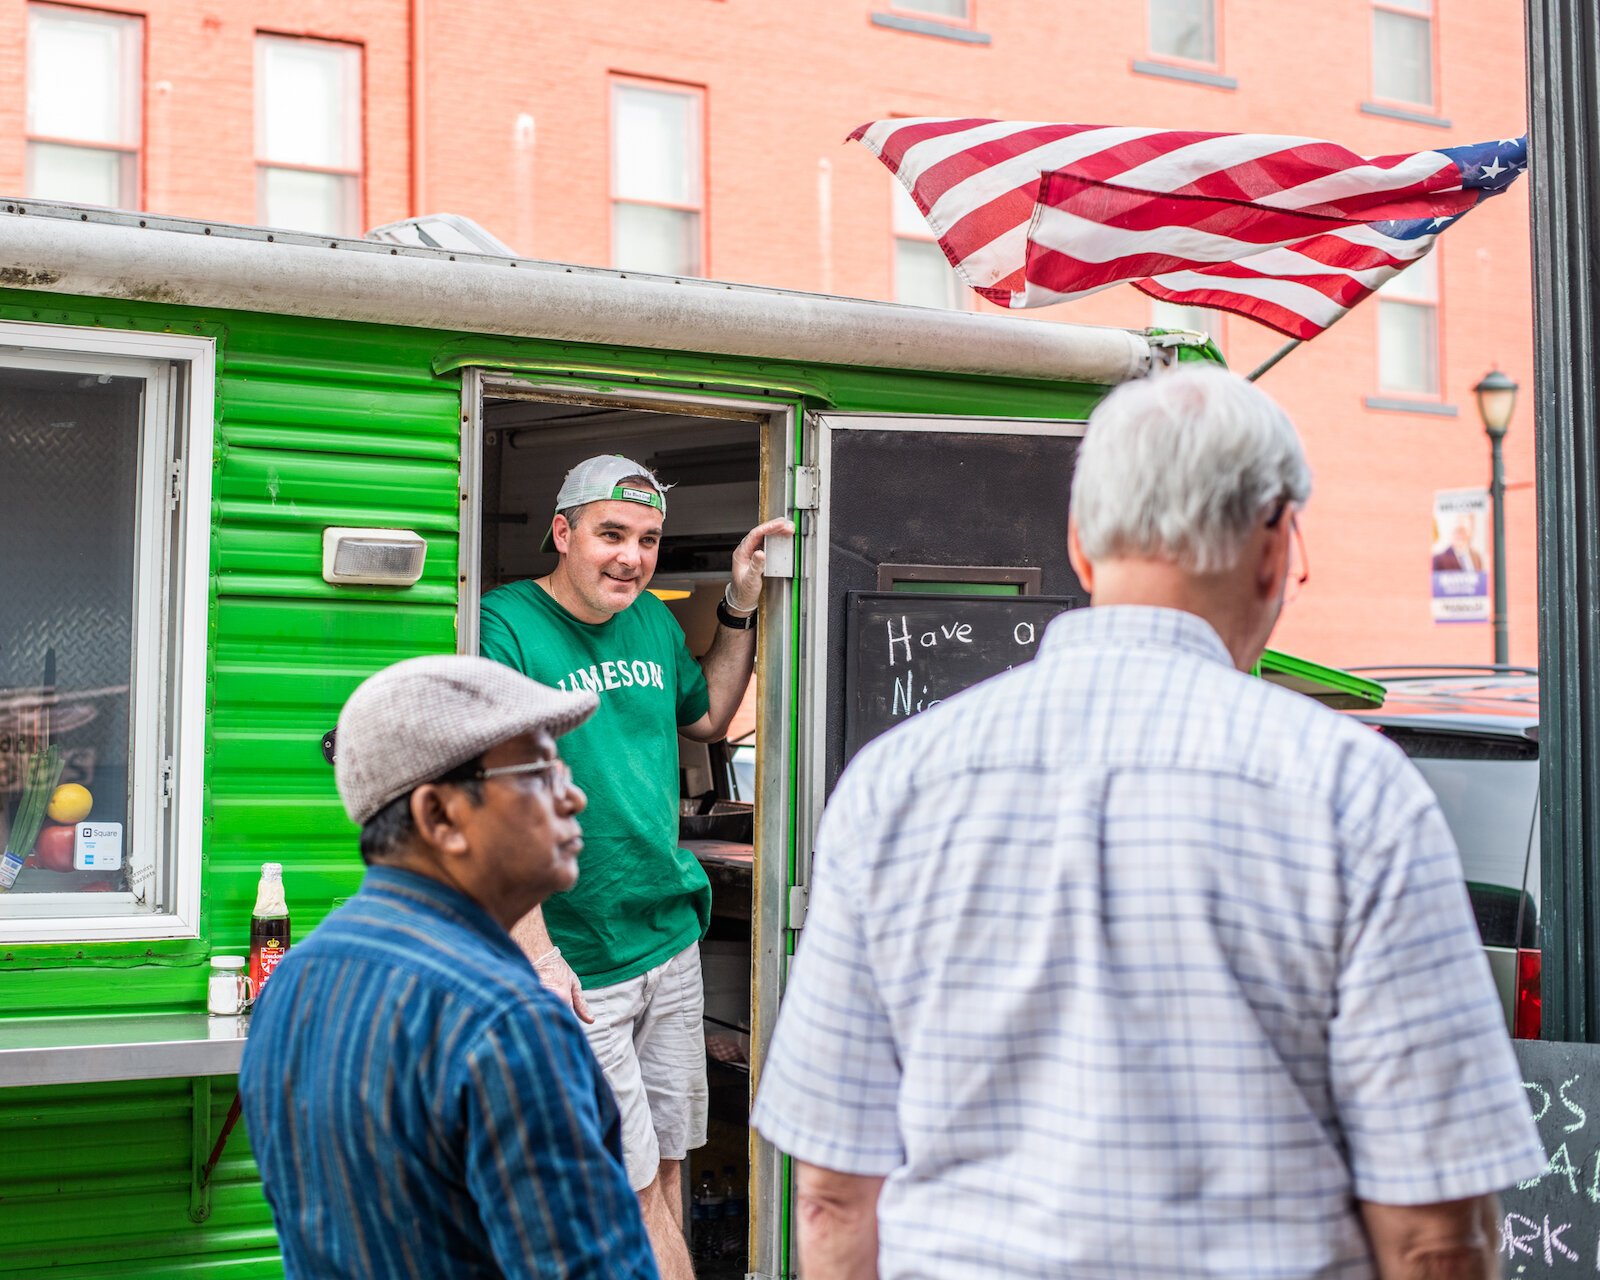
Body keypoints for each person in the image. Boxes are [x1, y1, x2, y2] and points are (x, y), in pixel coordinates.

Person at [751, 366, 1546, 1280]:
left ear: (1082, 547)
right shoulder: (1354, 792)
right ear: (1275, 543)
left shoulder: (889, 787)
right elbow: (1433, 1230)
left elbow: (832, 1195)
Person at [238, 655, 657, 1280]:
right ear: (440, 817)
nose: (574, 795)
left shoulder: (295, 982)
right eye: (540, 771)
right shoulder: (507, 1022)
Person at [479, 454, 790, 1279]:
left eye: (648, 539)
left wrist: (740, 604)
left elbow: (711, 717)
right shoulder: (502, 625)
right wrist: (537, 952)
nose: (631, 556)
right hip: (579, 955)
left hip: (665, 940)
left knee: (673, 1164)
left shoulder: (652, 622)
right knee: (628, 1185)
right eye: (610, 534)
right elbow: (490, 792)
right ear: (562, 532)